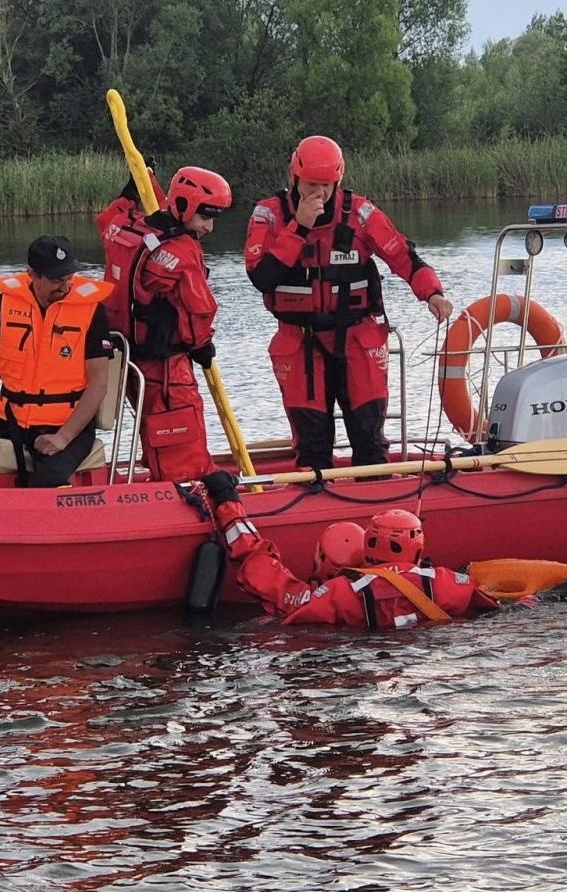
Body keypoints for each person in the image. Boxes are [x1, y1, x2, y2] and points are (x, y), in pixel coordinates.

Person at [245, 135, 454, 471]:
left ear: (338, 181)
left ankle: (379, 507)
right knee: (312, 444)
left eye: (327, 185)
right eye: (311, 184)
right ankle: (316, 507)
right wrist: (299, 226)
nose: (319, 193)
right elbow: (261, 277)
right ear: (294, 178)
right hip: (300, 342)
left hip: (358, 337)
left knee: (369, 438)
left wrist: (432, 293)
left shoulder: (360, 213)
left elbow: (401, 255)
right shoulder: (269, 215)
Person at [200, 471, 506, 629]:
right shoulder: (445, 582)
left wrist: (227, 503)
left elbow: (266, 577)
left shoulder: (340, 595)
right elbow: (498, 601)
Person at [0, 235, 114, 488]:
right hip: (12, 423)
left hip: (66, 426)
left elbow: (99, 383)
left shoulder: (91, 310)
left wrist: (62, 437)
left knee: (47, 480)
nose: (65, 286)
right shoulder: (6, 303)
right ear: (32, 275)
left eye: (68, 278)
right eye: (56, 279)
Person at [96, 165, 233, 482]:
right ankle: (186, 495)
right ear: (185, 207)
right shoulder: (181, 251)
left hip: (128, 362)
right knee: (181, 444)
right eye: (206, 217)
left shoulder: (126, 231)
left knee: (154, 433)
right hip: (168, 370)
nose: (209, 227)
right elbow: (200, 310)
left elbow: (108, 222)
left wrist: (130, 195)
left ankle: (161, 482)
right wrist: (202, 346)